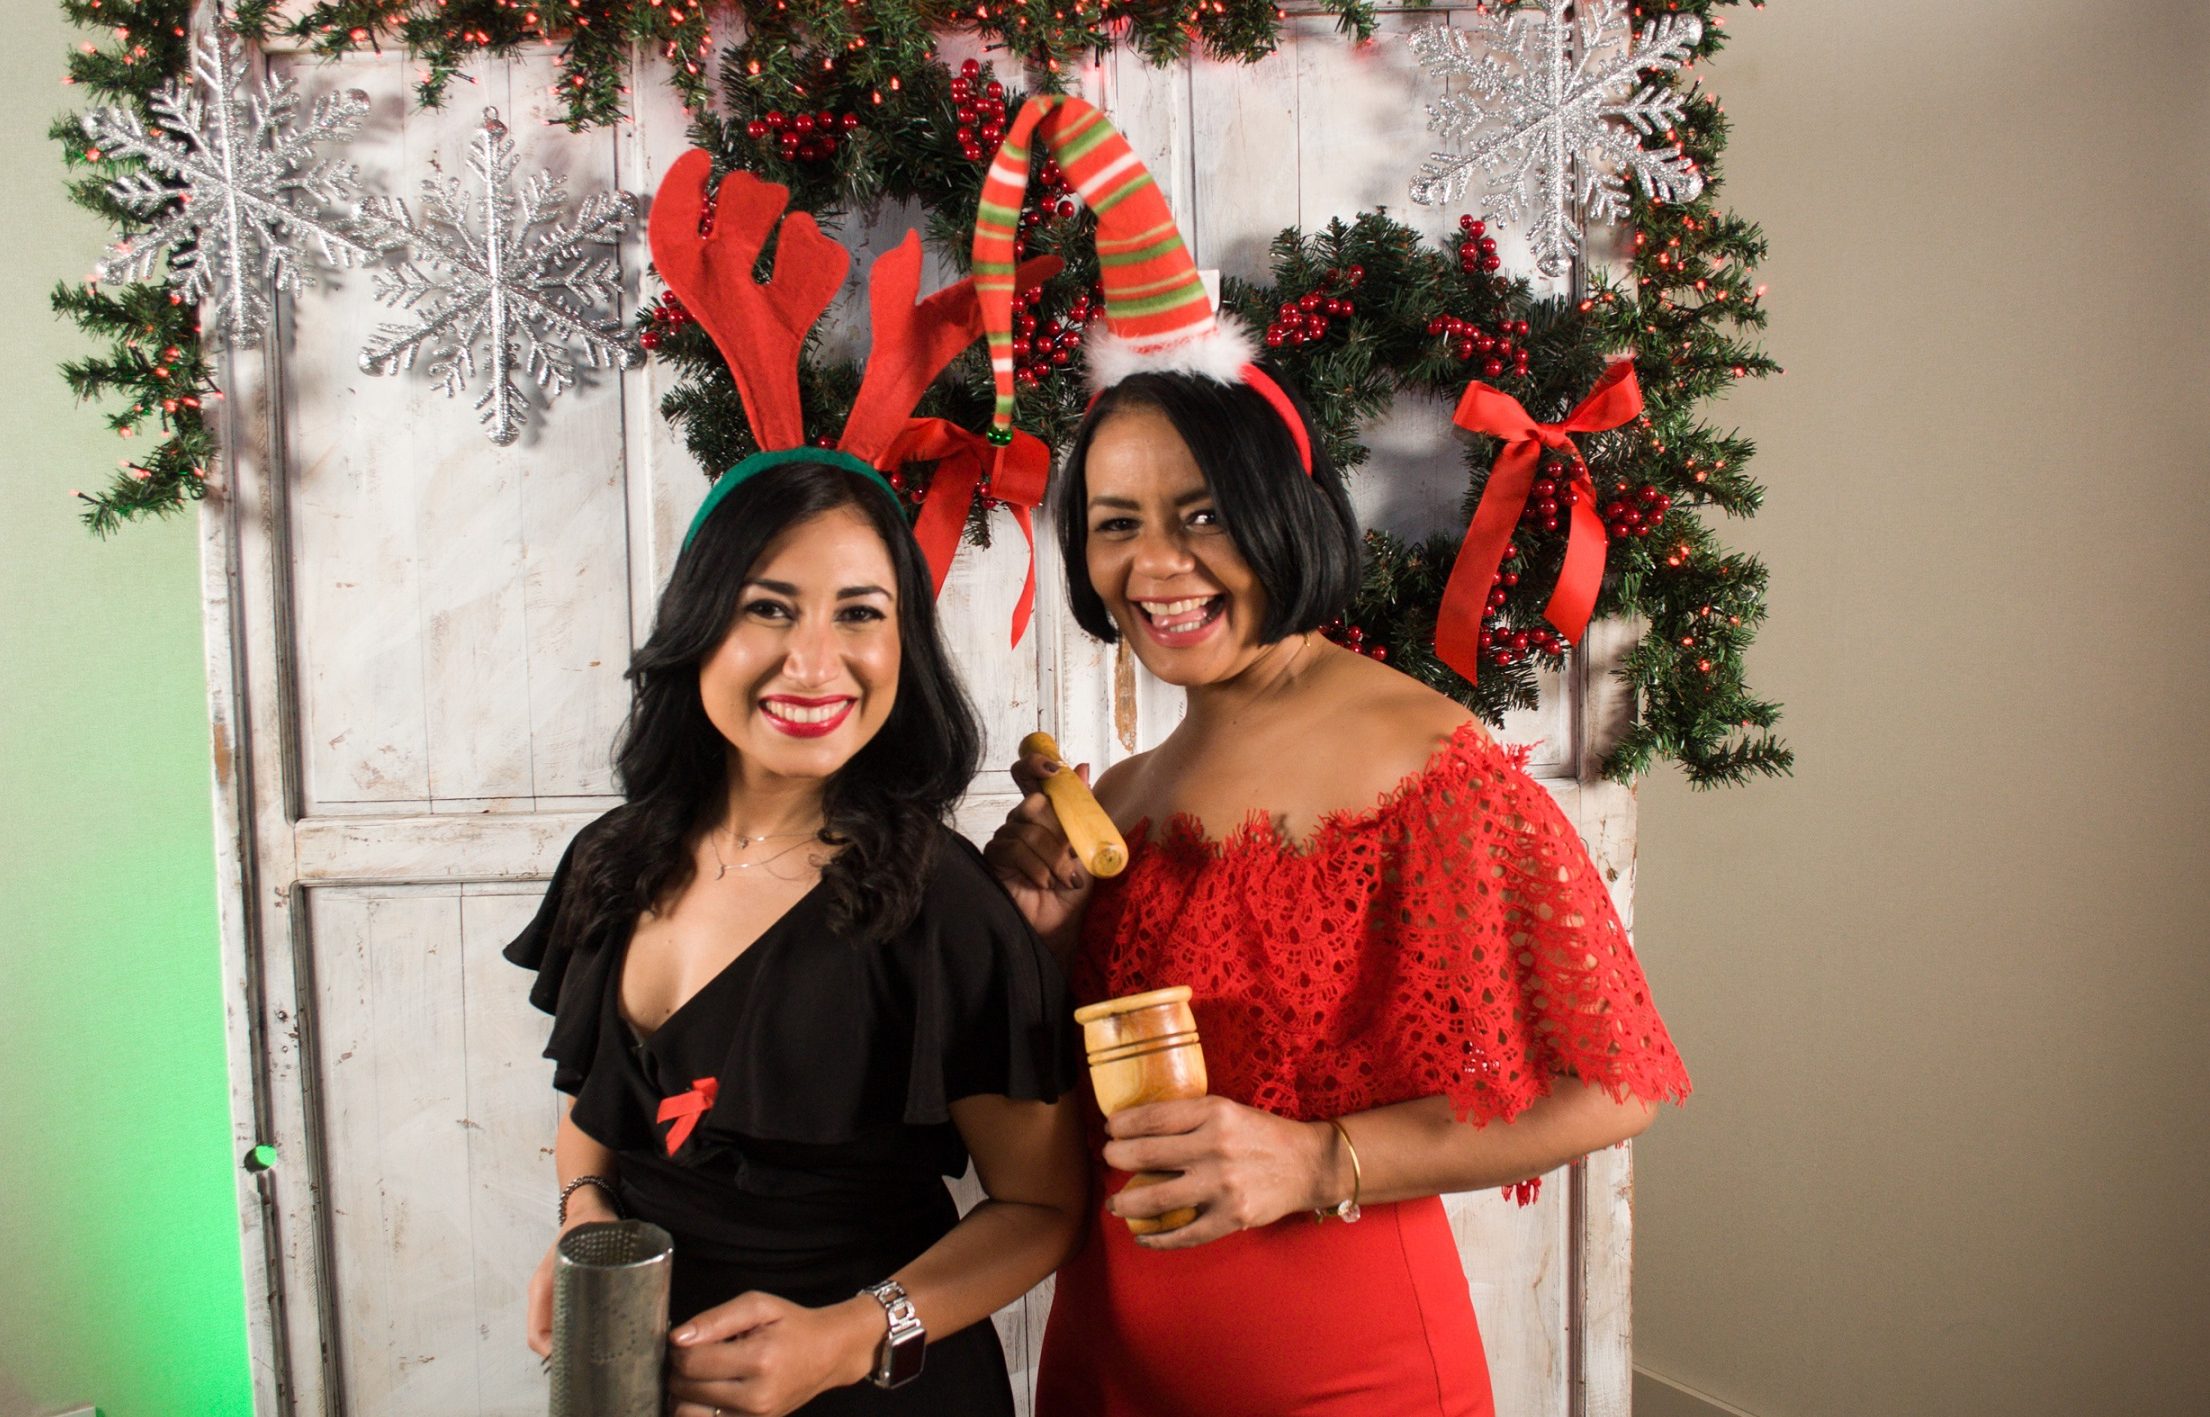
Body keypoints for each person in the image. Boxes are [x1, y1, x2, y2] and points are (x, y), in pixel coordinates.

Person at [985, 361, 1691, 1417]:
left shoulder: (1424, 762)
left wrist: (1319, 1160)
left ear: (1290, 514)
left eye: (1204, 514)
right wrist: (1040, 941)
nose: (1156, 562)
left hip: (1343, 1375)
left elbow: (1612, 1085)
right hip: (1099, 1365)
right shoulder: (1123, 797)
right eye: (1116, 522)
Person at [509, 152, 1087, 1417]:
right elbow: (594, 1114)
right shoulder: (611, 859)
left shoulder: (937, 902)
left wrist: (848, 1337)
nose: (814, 663)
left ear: (902, 645)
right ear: (699, 629)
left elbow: (1043, 1205)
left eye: (859, 614)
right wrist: (582, 1210)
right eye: (768, 608)